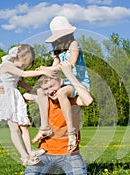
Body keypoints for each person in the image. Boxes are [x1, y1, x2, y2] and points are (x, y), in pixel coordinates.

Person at [0, 62, 93, 175]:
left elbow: (88, 100)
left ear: (60, 83)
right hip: (45, 153)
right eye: (46, 89)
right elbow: (17, 96)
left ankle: (57, 168)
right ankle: (49, 168)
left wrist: (70, 75)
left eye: (52, 86)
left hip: (70, 153)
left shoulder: (71, 100)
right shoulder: (43, 100)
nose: (50, 91)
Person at [0, 44, 50, 166]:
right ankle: (24, 157)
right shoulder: (8, 65)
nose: (23, 66)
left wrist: (33, 91)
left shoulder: (16, 67)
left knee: (24, 126)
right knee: (14, 128)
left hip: (14, 96)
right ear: (19, 57)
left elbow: (21, 81)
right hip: (5, 97)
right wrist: (45, 71)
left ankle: (30, 152)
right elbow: (24, 75)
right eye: (24, 63)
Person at [32, 16, 91, 153]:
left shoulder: (74, 45)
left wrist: (49, 69)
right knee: (43, 92)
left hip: (78, 82)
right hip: (65, 81)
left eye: (60, 37)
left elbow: (70, 64)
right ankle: (45, 127)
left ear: (67, 35)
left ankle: (71, 132)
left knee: (61, 93)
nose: (58, 40)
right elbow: (55, 66)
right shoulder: (58, 49)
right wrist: (45, 71)